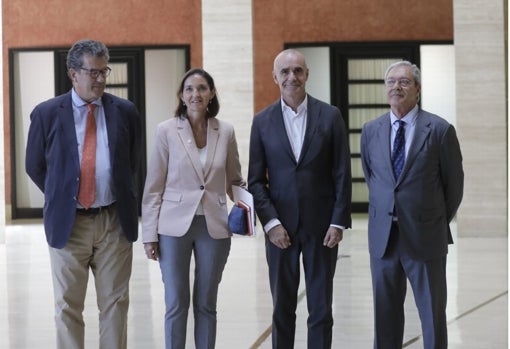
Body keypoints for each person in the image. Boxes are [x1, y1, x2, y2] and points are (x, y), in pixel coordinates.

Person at [25, 39, 142, 349]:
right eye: (94, 72)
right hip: (69, 224)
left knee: (115, 304)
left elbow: (131, 163)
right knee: (67, 307)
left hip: (113, 222)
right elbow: (34, 166)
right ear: (73, 74)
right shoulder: (47, 113)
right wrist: (62, 195)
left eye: (105, 71)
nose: (101, 79)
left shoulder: (125, 111)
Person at [248, 49, 352, 349]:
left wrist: (338, 221)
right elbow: (255, 180)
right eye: (285, 72)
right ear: (275, 77)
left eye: (297, 71)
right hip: (281, 230)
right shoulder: (262, 121)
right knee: (282, 308)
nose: (291, 77)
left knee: (320, 307)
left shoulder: (330, 116)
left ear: (307, 74)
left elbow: (342, 172)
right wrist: (271, 224)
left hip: (323, 229)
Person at [360, 61, 464, 349]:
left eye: (404, 81)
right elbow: (374, 178)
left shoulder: (440, 130)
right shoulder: (371, 130)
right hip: (384, 239)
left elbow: (454, 185)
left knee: (432, 315)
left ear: (417, 89)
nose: (397, 87)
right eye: (391, 81)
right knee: (385, 316)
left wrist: (431, 218)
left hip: (425, 237)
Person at [141, 68, 245, 349]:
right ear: (181, 95)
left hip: (214, 226)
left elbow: (235, 180)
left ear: (211, 94)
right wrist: (149, 234)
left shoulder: (225, 131)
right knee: (176, 303)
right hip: (173, 228)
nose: (195, 94)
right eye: (189, 89)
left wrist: (247, 211)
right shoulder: (166, 130)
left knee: (206, 303)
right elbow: (153, 187)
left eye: (201, 88)